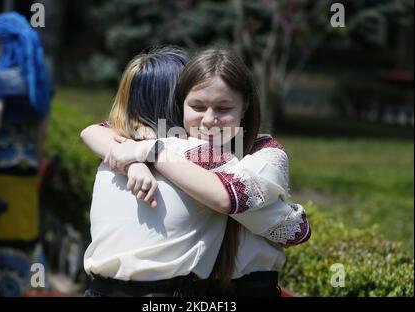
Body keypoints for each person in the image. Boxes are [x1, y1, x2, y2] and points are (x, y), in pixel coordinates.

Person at [82, 48, 310, 297]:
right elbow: (94, 131)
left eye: (223, 108)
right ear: (180, 104)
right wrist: (134, 160)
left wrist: (149, 151)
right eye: (197, 106)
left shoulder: (263, 153)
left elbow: (287, 226)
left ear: (245, 105)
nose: (209, 119)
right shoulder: (171, 147)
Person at [0, 12, 53, 297]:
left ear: (1, 44)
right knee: (26, 233)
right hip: (27, 170)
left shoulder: (1, 78)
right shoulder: (39, 79)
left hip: (0, 171)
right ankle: (33, 289)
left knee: (1, 236)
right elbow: (42, 133)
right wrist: (34, 161)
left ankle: (3, 288)